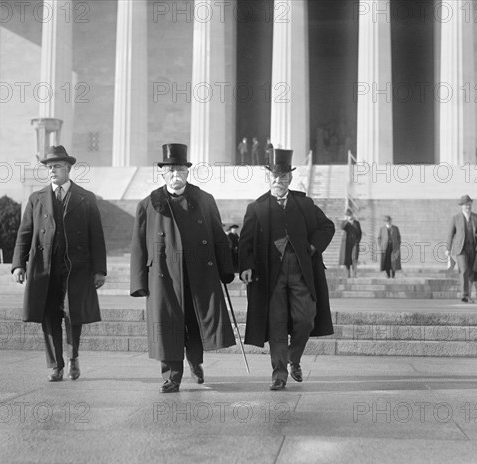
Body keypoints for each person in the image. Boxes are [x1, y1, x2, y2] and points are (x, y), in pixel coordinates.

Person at [130, 144, 235, 393]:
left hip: (198, 274)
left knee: (196, 323)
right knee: (167, 327)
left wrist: (226, 269)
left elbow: (220, 237)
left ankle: (196, 361)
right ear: (163, 174)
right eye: (170, 171)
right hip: (163, 277)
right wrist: (139, 282)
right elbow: (138, 246)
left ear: (188, 173)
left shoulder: (204, 200)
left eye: (180, 171)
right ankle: (171, 376)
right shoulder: (149, 204)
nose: (176, 176)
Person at [239, 149, 335, 391]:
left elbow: (327, 226)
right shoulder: (257, 208)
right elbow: (245, 243)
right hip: (270, 276)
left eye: (283, 177)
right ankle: (279, 373)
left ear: (290, 179)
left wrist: (313, 246)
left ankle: (294, 358)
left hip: (301, 271)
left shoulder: (304, 203)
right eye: (274, 177)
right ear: (267, 178)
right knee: (277, 324)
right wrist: (246, 267)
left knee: (306, 319)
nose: (278, 181)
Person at [11, 145, 107, 382]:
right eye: (49, 166)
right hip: (44, 268)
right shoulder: (36, 199)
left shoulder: (85, 198)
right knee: (48, 315)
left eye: (57, 166)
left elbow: (97, 236)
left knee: (73, 314)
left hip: (76, 268)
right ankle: (55, 365)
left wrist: (100, 270)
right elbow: (25, 233)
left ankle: (73, 357)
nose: (52, 170)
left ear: (68, 169)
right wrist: (18, 265)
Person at [446, 195, 477, 303]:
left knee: (471, 272)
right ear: (461, 206)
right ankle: (465, 295)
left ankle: (468, 295)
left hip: (473, 248)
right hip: (461, 249)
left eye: (469, 204)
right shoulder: (456, 218)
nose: (467, 206)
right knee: (463, 270)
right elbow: (450, 234)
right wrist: (448, 248)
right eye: (465, 205)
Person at [339, 209, 362, 278]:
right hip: (346, 243)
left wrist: (358, 241)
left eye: (350, 215)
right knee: (347, 259)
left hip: (355, 243)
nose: (349, 216)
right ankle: (348, 274)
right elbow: (341, 227)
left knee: (354, 258)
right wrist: (346, 220)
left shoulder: (356, 223)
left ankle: (354, 274)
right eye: (347, 215)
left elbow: (360, 233)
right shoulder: (344, 223)